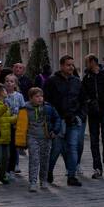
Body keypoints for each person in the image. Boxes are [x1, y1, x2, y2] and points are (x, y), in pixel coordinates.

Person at [44, 56, 86, 187]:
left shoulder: (77, 82)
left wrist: (81, 115)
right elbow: (46, 102)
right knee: (56, 149)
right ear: (62, 66)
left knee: (73, 148)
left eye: (72, 65)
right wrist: (51, 120)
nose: (71, 68)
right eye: (68, 65)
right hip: (58, 120)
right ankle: (48, 172)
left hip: (73, 120)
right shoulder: (52, 81)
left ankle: (71, 176)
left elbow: (83, 101)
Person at [15, 87, 60, 192]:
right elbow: (21, 123)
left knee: (45, 159)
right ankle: (33, 182)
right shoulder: (25, 109)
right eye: (37, 96)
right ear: (30, 98)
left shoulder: (48, 108)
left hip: (46, 137)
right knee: (34, 159)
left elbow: (57, 118)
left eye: (41, 96)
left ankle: (43, 180)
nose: (40, 99)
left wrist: (55, 130)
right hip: (32, 137)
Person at [3, 74, 25, 176]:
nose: (9, 83)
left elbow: (23, 109)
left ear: (15, 84)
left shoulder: (19, 96)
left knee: (13, 148)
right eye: (7, 81)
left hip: (15, 125)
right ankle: (4, 168)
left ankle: (11, 169)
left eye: (11, 81)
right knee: (5, 149)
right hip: (5, 124)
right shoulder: (2, 95)